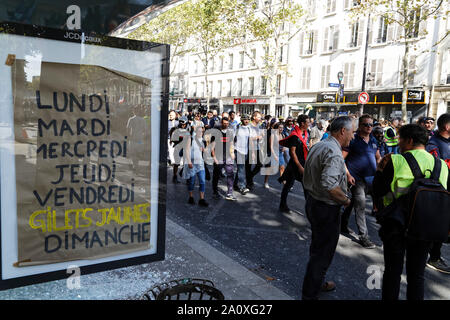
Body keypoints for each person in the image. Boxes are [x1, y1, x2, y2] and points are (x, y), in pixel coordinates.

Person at [373, 124, 449, 300]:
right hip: (426, 226)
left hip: (396, 226)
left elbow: (377, 190)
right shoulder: (441, 166)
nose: (398, 143)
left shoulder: (395, 160)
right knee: (417, 275)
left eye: (400, 139)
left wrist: (379, 170)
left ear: (409, 140)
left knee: (392, 272)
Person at [302, 116, 355, 300]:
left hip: (314, 202)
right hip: (325, 208)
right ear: (342, 131)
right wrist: (346, 200)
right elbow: (329, 185)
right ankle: (310, 294)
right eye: (352, 132)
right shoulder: (332, 151)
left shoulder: (321, 145)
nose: (352, 136)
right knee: (322, 254)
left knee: (318, 248)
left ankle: (318, 282)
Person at [341, 114, 380, 249]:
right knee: (360, 207)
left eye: (371, 124)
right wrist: (347, 174)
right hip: (356, 180)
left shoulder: (374, 140)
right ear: (360, 126)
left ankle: (342, 225)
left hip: (372, 180)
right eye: (366, 124)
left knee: (351, 204)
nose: (369, 127)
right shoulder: (353, 140)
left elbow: (378, 158)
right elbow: (341, 158)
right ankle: (364, 237)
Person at [425, 113, 450, 274]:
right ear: (447, 127)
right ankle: (433, 256)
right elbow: (435, 168)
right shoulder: (433, 144)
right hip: (441, 191)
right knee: (440, 224)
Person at [278, 114, 310, 213]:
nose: (309, 124)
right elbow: (292, 152)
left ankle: (310, 208)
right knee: (290, 185)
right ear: (302, 123)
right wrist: (300, 167)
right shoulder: (295, 136)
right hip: (295, 165)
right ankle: (283, 205)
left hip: (303, 162)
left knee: (305, 186)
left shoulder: (306, 133)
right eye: (308, 122)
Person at [211, 117, 236, 201]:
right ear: (221, 123)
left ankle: (230, 193)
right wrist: (214, 157)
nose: (225, 124)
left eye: (227, 123)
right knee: (216, 175)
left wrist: (232, 153)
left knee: (230, 175)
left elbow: (232, 143)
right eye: (224, 123)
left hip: (228, 157)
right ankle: (215, 191)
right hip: (218, 157)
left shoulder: (230, 132)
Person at [184, 124, 209, 207]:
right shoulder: (191, 139)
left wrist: (204, 149)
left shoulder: (203, 141)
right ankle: (191, 197)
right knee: (192, 182)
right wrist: (189, 162)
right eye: (199, 131)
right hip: (192, 164)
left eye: (202, 132)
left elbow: (206, 151)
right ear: (196, 131)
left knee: (202, 181)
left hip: (201, 164)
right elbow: (187, 151)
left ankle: (201, 199)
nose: (200, 133)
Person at [234, 114, 251, 195]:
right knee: (241, 169)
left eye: (248, 119)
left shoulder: (249, 128)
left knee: (240, 169)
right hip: (238, 150)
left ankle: (235, 184)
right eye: (245, 119)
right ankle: (242, 187)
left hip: (246, 151)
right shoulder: (237, 128)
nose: (247, 121)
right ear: (241, 120)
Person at [246, 111, 263, 190]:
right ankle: (249, 183)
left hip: (257, 148)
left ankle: (250, 177)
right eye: (259, 117)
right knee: (248, 167)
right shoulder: (249, 126)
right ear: (254, 117)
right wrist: (258, 137)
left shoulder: (258, 125)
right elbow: (249, 138)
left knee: (260, 164)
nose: (260, 119)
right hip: (249, 148)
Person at [169, 116, 189, 183]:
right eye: (182, 124)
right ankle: (174, 176)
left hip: (185, 148)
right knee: (177, 163)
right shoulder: (176, 129)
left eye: (184, 124)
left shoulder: (188, 129)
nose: (183, 125)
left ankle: (187, 178)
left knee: (186, 163)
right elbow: (173, 138)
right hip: (178, 148)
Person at [127, 106, 147, 172]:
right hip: (140, 139)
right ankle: (136, 165)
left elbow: (128, 129)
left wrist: (128, 137)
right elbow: (145, 130)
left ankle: (134, 165)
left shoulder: (131, 119)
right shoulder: (143, 120)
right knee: (138, 152)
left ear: (133, 111)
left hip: (132, 138)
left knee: (133, 152)